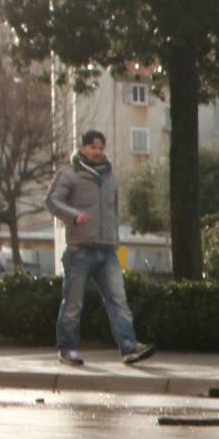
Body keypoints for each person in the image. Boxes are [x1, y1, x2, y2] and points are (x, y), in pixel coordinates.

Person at [45, 130, 158, 369]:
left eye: (100, 147)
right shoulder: (69, 175)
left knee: (119, 300)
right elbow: (52, 201)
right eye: (93, 147)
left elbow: (113, 212)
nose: (97, 152)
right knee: (73, 303)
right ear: (83, 148)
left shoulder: (110, 177)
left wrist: (115, 240)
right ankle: (68, 349)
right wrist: (74, 216)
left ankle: (129, 347)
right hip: (79, 249)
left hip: (107, 250)